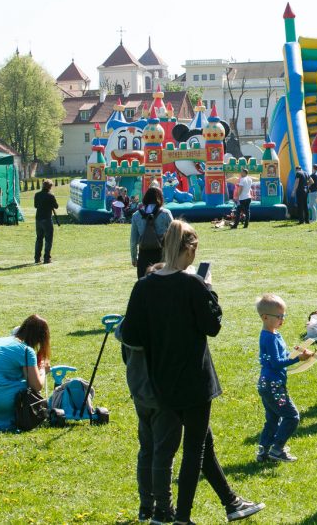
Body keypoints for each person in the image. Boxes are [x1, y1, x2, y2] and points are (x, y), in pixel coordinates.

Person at [122, 220, 264, 522]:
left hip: (162, 380)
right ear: (188, 248)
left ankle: (231, 502)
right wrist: (209, 289)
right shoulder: (193, 284)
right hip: (195, 381)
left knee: (204, 444)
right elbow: (212, 326)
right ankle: (183, 518)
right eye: (194, 250)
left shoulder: (144, 286)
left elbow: (131, 335)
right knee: (194, 450)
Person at [114, 317, 176, 523]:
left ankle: (145, 506)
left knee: (147, 449)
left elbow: (126, 357)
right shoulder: (160, 320)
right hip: (161, 394)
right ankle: (164, 507)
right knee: (163, 452)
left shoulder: (129, 321)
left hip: (139, 390)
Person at [255, 293, 312, 463]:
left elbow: (281, 355)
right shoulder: (269, 338)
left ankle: (263, 451)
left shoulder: (273, 335)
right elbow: (277, 363)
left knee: (272, 418)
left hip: (267, 384)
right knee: (291, 416)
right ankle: (277, 449)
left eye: (283, 316)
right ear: (265, 317)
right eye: (279, 317)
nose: (282, 320)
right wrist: (297, 359)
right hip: (274, 386)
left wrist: (295, 353)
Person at [130, 186, 174, 279]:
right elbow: (174, 236)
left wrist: (134, 258)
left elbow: (133, 241)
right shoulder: (166, 213)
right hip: (161, 255)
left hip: (143, 256)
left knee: (144, 288)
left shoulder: (136, 215)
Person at [33, 179, 58, 264]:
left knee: (39, 239)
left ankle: (37, 258)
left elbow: (36, 205)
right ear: (50, 187)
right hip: (47, 219)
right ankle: (47, 258)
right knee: (48, 239)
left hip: (38, 219)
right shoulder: (51, 196)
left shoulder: (37, 194)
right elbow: (56, 206)